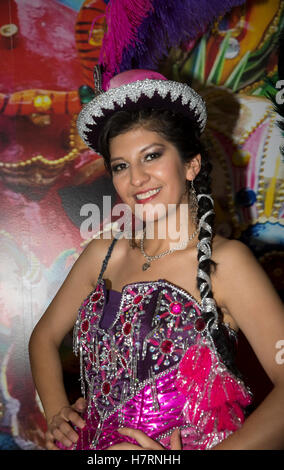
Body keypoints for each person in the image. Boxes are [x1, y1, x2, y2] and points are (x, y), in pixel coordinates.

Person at [28, 69, 284, 450]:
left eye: (151, 156)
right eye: (120, 165)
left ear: (191, 164)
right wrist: (57, 414)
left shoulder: (226, 262)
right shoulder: (103, 255)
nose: (137, 178)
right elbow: (42, 338)